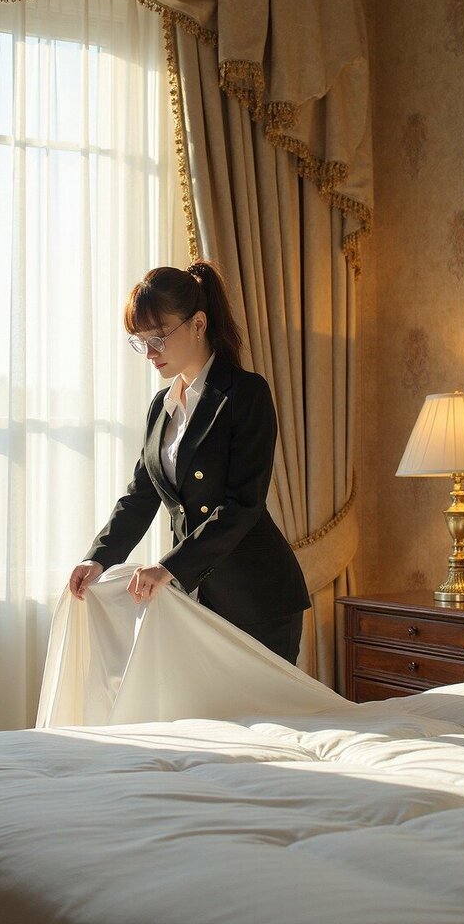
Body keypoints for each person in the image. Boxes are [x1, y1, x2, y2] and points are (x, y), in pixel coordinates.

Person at [67, 261, 310, 664]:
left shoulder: (245, 394)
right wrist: (99, 557)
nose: (149, 353)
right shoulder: (160, 408)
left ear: (198, 323)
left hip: (257, 598)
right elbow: (141, 495)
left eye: (158, 338)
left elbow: (243, 504)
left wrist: (169, 567)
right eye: (139, 342)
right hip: (194, 597)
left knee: (262, 708)